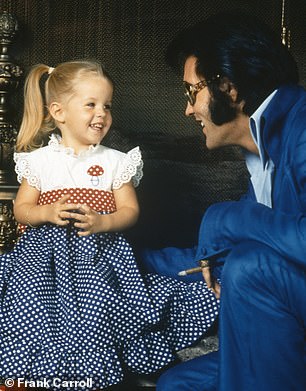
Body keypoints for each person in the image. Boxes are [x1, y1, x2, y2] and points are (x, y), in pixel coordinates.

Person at [0, 60, 219, 390]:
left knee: (100, 305)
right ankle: (33, 367)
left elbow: (130, 211)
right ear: (58, 112)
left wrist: (104, 221)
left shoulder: (115, 161)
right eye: (91, 104)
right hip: (44, 258)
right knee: (27, 296)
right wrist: (46, 213)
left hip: (98, 254)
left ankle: (92, 368)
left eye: (107, 105)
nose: (101, 113)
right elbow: (22, 209)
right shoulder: (40, 161)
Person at [156, 11, 306, 391]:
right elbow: (213, 256)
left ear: (227, 87)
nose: (188, 109)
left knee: (250, 264)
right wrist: (115, 256)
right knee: (177, 385)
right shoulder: (261, 154)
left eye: (192, 92)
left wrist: (224, 218)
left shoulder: (303, 125)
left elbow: (248, 243)